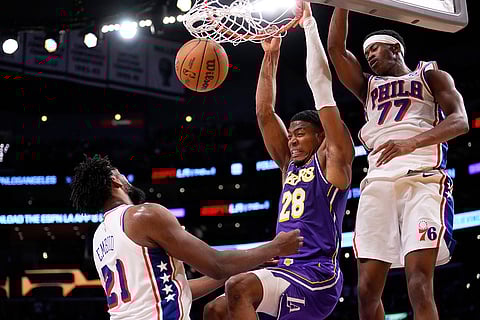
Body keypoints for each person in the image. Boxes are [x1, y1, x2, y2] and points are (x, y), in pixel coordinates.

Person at [203, 3, 354, 320]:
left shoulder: (332, 160)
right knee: (214, 310)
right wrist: (271, 53)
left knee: (238, 287)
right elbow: (264, 113)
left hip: (317, 275)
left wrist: (311, 27)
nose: (293, 139)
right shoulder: (289, 165)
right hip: (283, 268)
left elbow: (323, 90)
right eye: (291, 135)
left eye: (300, 134)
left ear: (320, 137)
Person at [327, 8, 469, 320]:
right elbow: (336, 49)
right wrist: (343, 3)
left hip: (424, 179)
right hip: (378, 183)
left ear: (395, 48)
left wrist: (411, 142)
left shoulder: (430, 75)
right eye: (365, 53)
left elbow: (460, 121)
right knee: (366, 292)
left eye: (374, 49)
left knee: (419, 284)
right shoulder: (368, 86)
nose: (369, 57)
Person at [70, 155, 303, 320]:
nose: (125, 178)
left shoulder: (99, 236)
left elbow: (170, 290)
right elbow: (217, 265)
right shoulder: (144, 215)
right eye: (121, 174)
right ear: (115, 181)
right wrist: (275, 247)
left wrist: (251, 261)